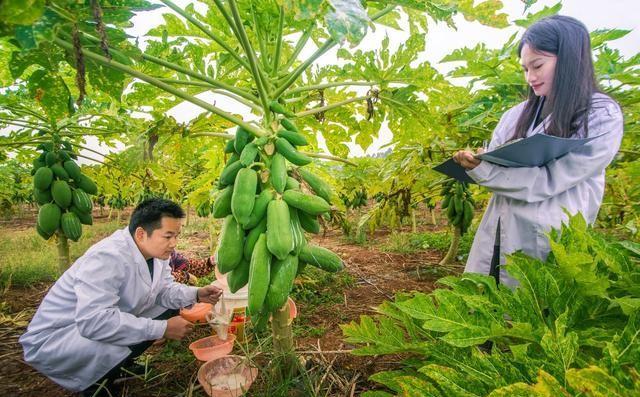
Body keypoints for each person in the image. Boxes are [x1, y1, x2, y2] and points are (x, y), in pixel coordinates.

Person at [453, 15, 623, 287]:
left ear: (569, 60)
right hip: (499, 228)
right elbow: (497, 165)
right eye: (524, 69)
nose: (530, 77)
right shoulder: (514, 115)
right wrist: (479, 162)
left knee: (536, 314)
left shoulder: (601, 115)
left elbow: (548, 181)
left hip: (549, 237)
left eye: (538, 65)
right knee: (489, 305)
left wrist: (483, 170)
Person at [19, 198, 223, 396]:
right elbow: (94, 322)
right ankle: (95, 384)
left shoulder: (156, 255)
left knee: (168, 308)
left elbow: (164, 291)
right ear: (142, 233)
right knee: (152, 323)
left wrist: (196, 293)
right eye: (168, 236)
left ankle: (120, 365)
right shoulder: (107, 257)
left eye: (177, 236)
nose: (174, 243)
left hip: (95, 322)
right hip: (60, 338)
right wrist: (162, 328)